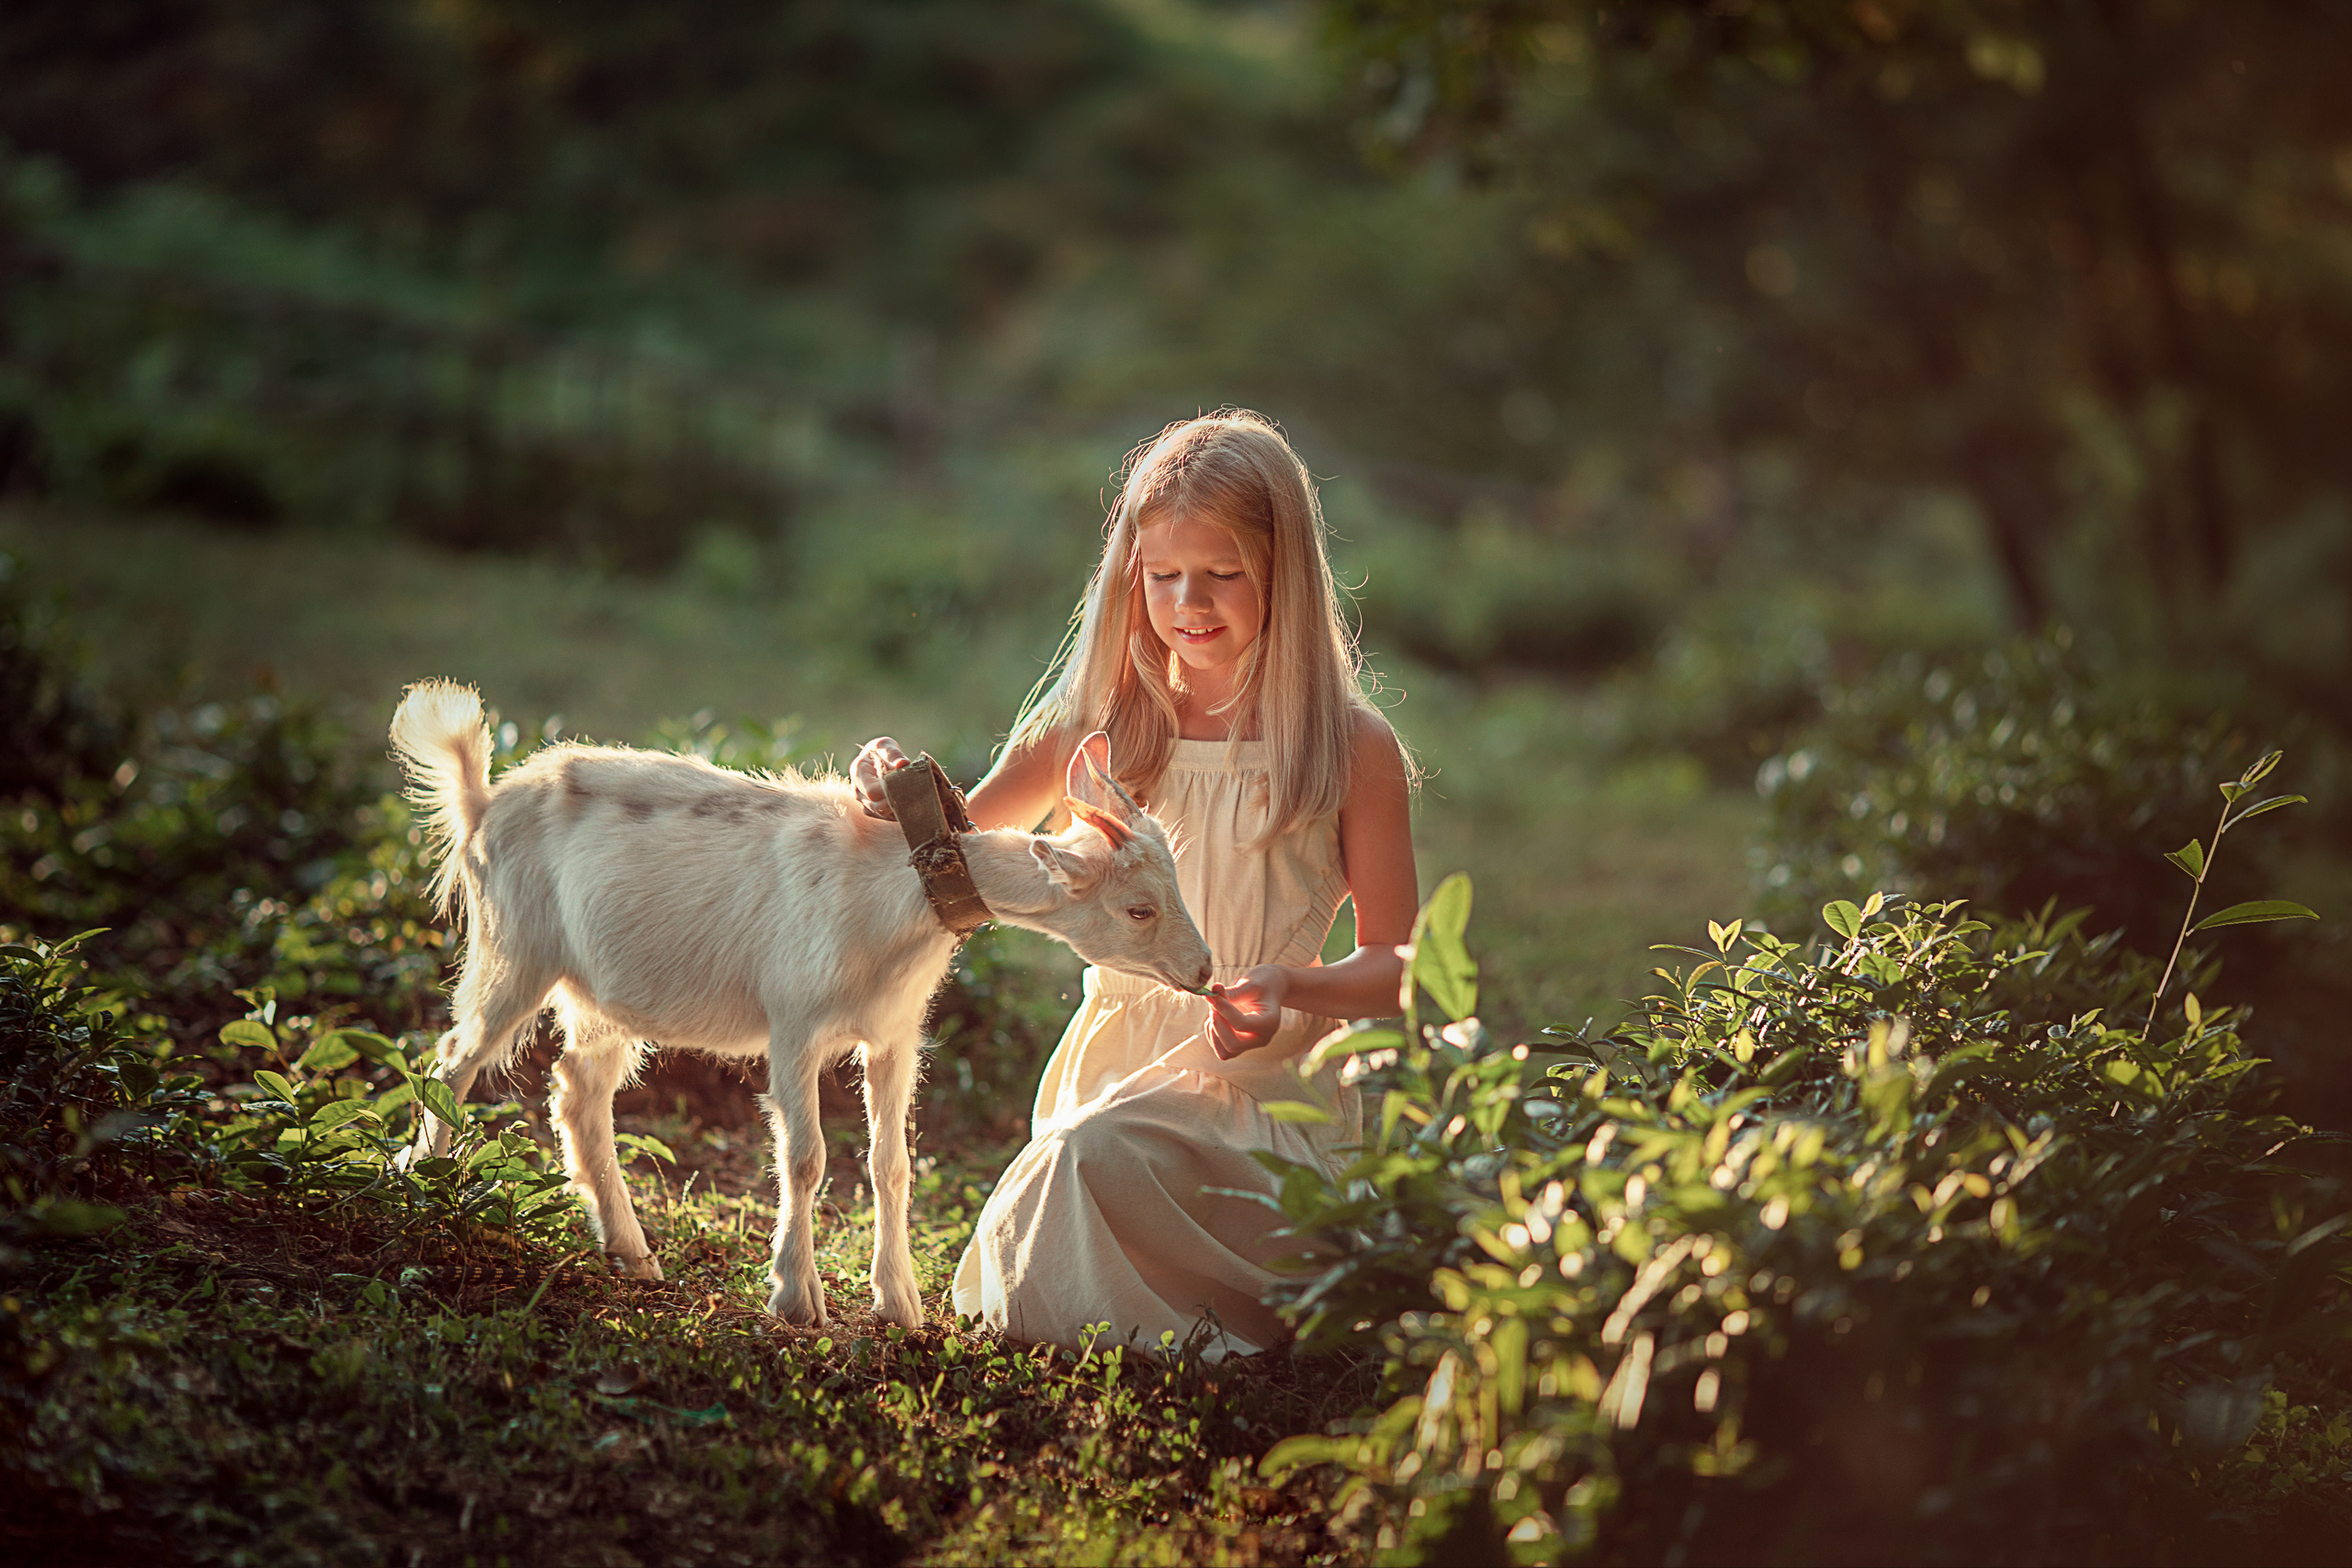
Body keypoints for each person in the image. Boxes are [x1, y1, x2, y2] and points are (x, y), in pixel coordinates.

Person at [852, 410, 1417, 1359]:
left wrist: (1291, 988)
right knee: (1069, 1186)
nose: (1188, 602)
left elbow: (1399, 969)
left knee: (1076, 1175)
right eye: (1162, 577)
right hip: (1104, 1082)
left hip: (1261, 1103)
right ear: (1131, 579)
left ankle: (1230, 1322)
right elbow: (957, 847)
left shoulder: (1348, 748)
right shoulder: (1099, 724)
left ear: (1285, 573)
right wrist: (885, 788)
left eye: (1223, 574)